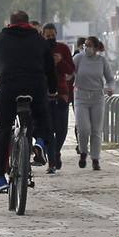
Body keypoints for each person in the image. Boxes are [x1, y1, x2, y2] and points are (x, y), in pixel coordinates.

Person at [0, 10, 57, 194]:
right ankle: (40, 143)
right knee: (43, 117)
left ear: (10, 23)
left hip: (9, 88)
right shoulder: (39, 40)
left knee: (2, 129)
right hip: (35, 87)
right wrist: (52, 89)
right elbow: (50, 68)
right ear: (28, 23)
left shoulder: (1, 38)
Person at [72, 34, 115, 171]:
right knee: (84, 129)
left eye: (90, 45)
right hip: (81, 97)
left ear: (96, 48)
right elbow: (70, 71)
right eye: (86, 45)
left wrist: (110, 87)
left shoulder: (102, 61)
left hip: (97, 97)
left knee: (96, 130)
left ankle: (95, 159)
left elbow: (110, 78)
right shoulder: (79, 58)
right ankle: (83, 152)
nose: (87, 48)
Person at [43, 23, 76, 173]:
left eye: (52, 35)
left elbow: (70, 70)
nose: (50, 38)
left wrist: (59, 61)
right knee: (49, 129)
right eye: (47, 36)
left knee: (62, 129)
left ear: (56, 33)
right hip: (44, 93)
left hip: (62, 92)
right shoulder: (40, 49)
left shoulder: (63, 49)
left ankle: (56, 151)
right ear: (43, 35)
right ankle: (51, 161)